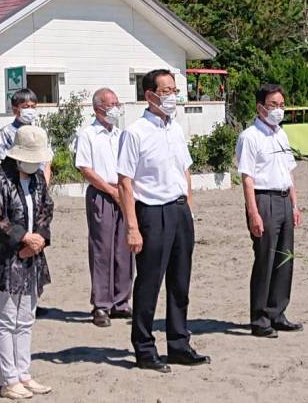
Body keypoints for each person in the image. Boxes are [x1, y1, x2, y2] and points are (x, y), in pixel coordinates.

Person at [118, 69, 209, 372]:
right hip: (152, 213)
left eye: (174, 90)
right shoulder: (135, 132)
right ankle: (144, 348)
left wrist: (189, 206)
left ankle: (179, 344)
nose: (172, 96)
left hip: (179, 210)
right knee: (149, 283)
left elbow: (185, 169)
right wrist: (132, 226)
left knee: (180, 281)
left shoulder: (175, 129)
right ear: (150, 95)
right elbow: (125, 182)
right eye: (166, 91)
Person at [0, 125, 55, 400]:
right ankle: (8, 380)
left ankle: (24, 374)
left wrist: (40, 239)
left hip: (33, 255)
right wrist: (22, 239)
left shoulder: (38, 179)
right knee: (6, 319)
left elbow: (46, 208)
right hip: (3, 257)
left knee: (27, 318)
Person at [235, 83, 303, 338]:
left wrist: (295, 204)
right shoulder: (249, 137)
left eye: (281, 105)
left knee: (285, 259)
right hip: (264, 200)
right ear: (260, 107)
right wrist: (253, 212)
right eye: (273, 105)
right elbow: (247, 177)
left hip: (284, 198)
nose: (278, 110)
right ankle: (260, 317)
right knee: (265, 259)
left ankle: (277, 312)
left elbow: (289, 172)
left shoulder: (281, 135)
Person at [75, 87, 130, 328]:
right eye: (111, 104)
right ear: (98, 108)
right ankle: (101, 303)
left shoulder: (121, 134)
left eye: (117, 103)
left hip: (124, 192)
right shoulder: (88, 134)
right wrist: (111, 191)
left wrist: (124, 191)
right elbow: (86, 169)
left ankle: (121, 300)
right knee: (102, 249)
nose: (116, 108)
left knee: (124, 247)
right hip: (102, 194)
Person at [0, 88, 51, 184]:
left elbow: (46, 162)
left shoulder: (39, 132)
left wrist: (44, 185)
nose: (30, 110)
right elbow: (6, 161)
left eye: (33, 107)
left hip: (38, 183)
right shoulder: (6, 132)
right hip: (16, 183)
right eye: (25, 107)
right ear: (15, 108)